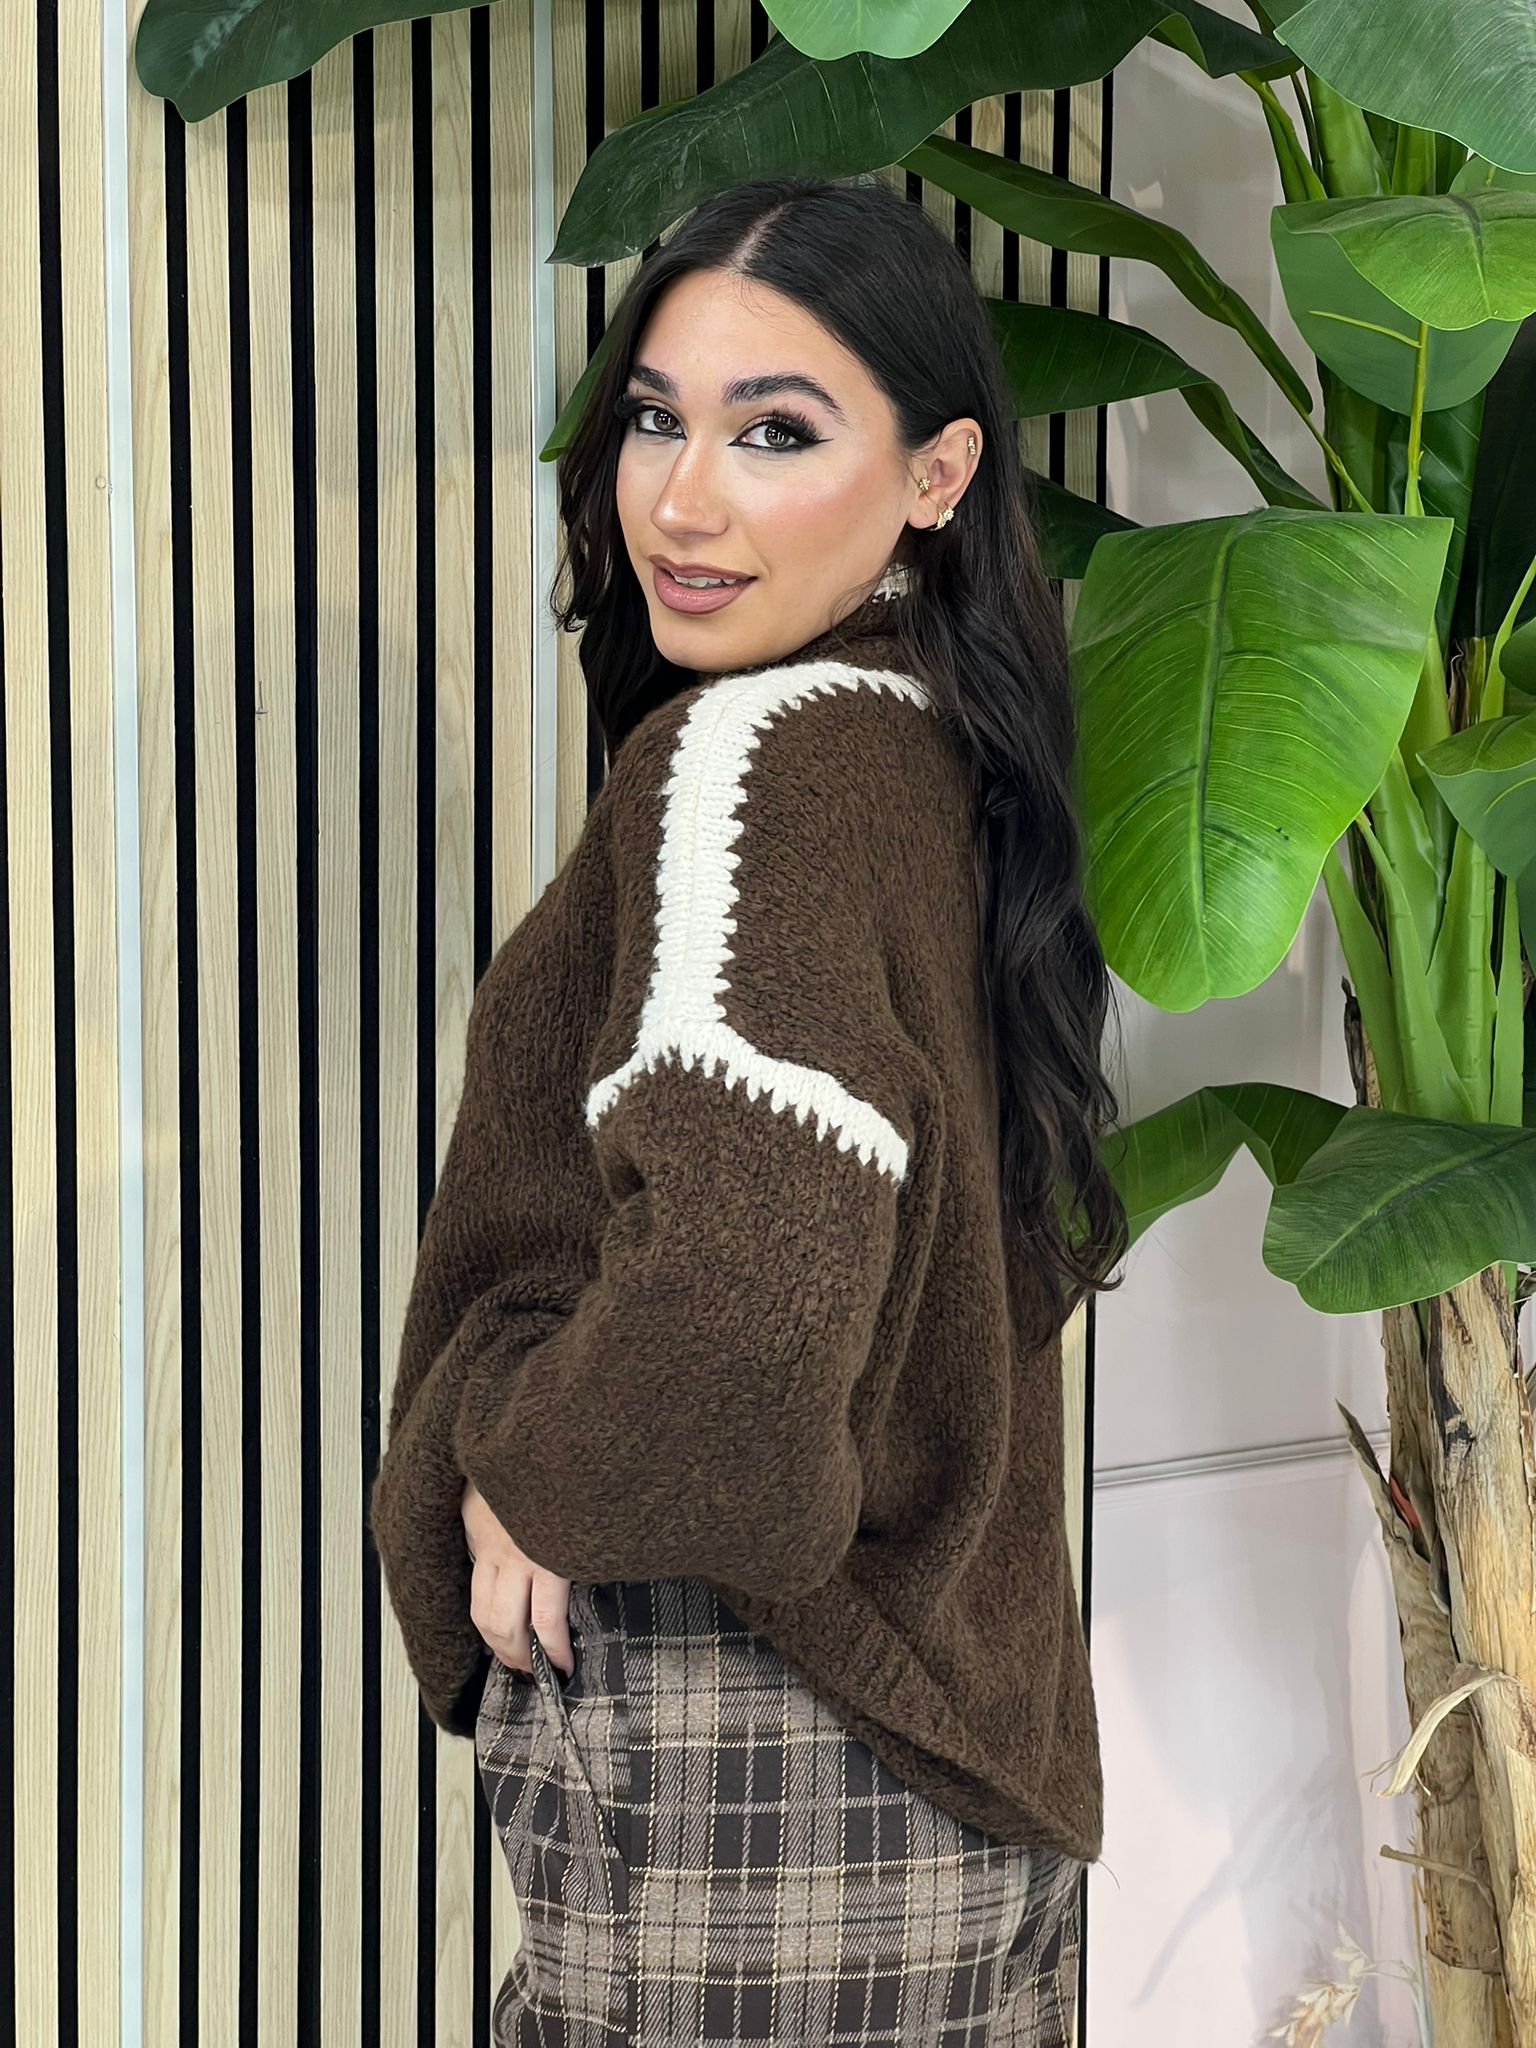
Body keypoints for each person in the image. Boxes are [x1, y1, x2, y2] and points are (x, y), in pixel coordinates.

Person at [368, 171, 1129, 2046]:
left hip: (753, 1751)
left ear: (937, 474)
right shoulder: (936, 751)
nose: (681, 501)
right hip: (964, 1760)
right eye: (656, 419)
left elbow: (744, 1305)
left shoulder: (751, 763)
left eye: (775, 433)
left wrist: (528, 1459)